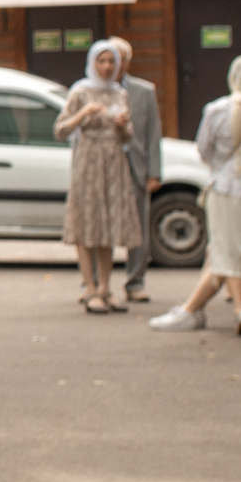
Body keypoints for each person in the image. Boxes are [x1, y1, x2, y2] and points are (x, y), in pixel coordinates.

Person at [149, 53, 241, 335]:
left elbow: (204, 150)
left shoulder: (216, 110)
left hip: (226, 192)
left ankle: (237, 308)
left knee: (226, 253)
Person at [56, 39, 145, 313]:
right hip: (88, 161)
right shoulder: (80, 92)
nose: (107, 67)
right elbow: (60, 130)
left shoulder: (120, 93)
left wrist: (122, 125)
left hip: (113, 161)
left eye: (111, 62)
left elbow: (129, 136)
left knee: (108, 225)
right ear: (93, 63)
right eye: (102, 61)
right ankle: (90, 288)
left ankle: (106, 288)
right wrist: (83, 114)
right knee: (87, 224)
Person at [105, 37, 163, 305]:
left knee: (138, 226)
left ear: (127, 62)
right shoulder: (92, 91)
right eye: (108, 58)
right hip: (103, 168)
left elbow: (153, 134)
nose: (113, 64)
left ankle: (135, 282)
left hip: (136, 168)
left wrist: (154, 172)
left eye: (119, 58)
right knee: (101, 226)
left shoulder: (144, 91)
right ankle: (96, 283)